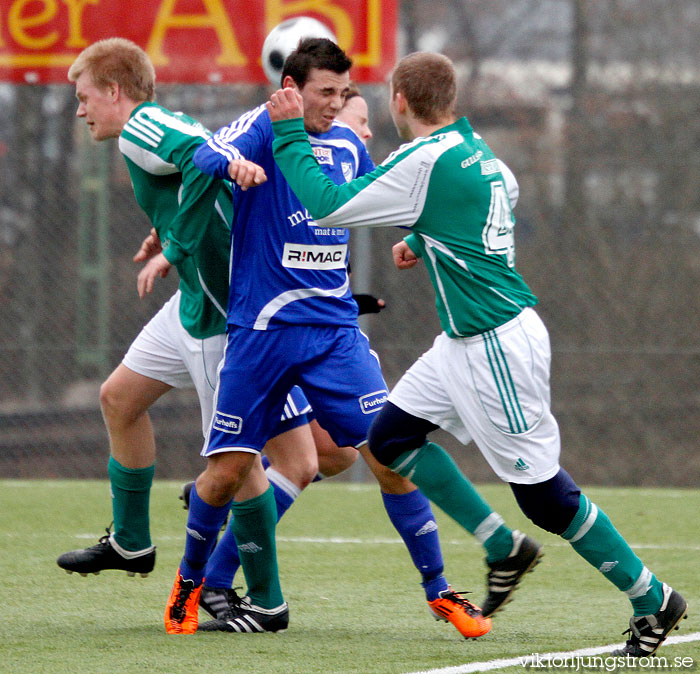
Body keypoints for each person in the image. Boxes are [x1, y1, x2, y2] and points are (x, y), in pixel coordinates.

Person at [267, 51, 689, 658]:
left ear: (400, 101)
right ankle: (501, 547)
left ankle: (652, 597)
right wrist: (426, 234)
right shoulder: (477, 151)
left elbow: (330, 206)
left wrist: (287, 133)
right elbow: (500, 199)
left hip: (495, 344)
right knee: (389, 441)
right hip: (461, 343)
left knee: (545, 497)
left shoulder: (423, 157)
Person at [176, 38, 492, 639]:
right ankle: (191, 587)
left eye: (345, 94)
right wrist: (234, 165)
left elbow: (384, 198)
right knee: (227, 472)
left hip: (333, 335)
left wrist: (417, 238)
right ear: (293, 88)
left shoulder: (346, 143)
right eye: (328, 93)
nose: (339, 105)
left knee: (387, 455)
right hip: (263, 332)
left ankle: (440, 593)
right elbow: (204, 152)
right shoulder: (266, 125)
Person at [56, 38, 353, 592]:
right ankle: (131, 542)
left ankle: (260, 598)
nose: (80, 109)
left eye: (84, 96)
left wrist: (182, 235)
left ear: (114, 91)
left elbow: (198, 152)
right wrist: (168, 231)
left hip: (224, 315)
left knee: (242, 464)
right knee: (118, 399)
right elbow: (199, 170)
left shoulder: (143, 127)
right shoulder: (145, 130)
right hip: (191, 303)